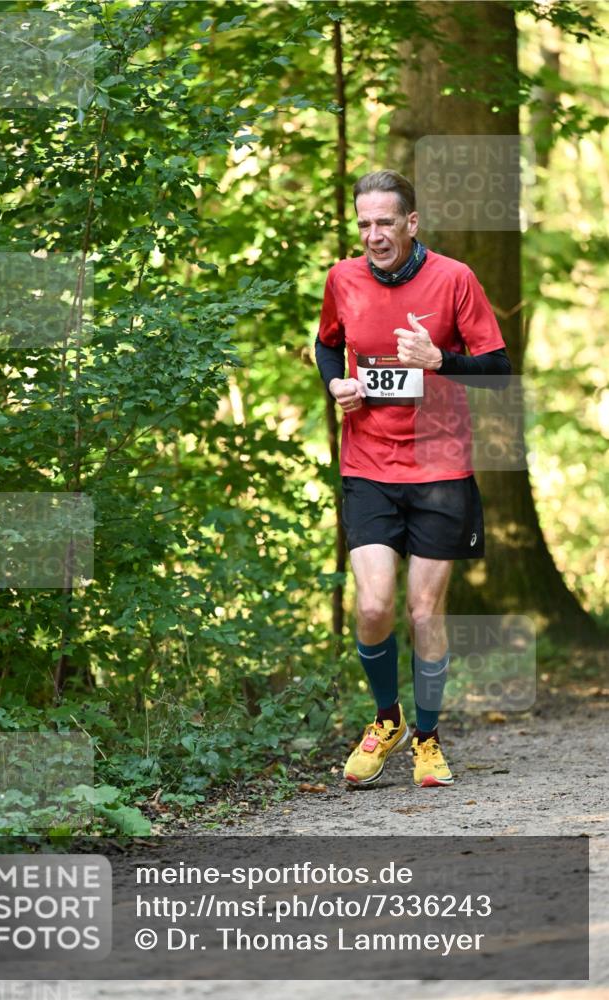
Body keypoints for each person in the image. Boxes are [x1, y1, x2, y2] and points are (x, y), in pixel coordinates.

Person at [315, 169, 511, 788]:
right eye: (364, 223)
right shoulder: (342, 279)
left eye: (385, 222)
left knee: (425, 612)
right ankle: (386, 719)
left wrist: (441, 361)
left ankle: (427, 738)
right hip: (368, 464)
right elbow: (327, 345)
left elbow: (499, 371)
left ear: (411, 223)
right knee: (374, 605)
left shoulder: (454, 279)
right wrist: (335, 383)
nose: (374, 235)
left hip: (440, 466)